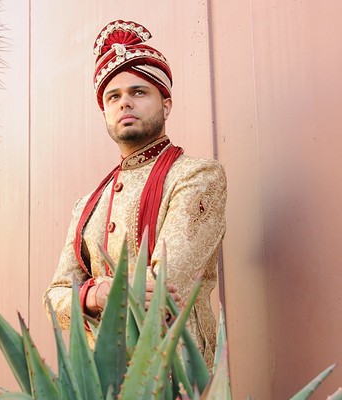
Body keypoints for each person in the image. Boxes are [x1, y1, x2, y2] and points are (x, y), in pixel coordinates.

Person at [43, 19, 227, 366]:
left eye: (138, 92)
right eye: (114, 97)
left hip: (173, 373)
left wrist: (85, 295)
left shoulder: (197, 175)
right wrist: (98, 293)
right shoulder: (88, 205)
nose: (124, 103)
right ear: (106, 112)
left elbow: (162, 289)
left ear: (166, 105)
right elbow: (53, 299)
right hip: (98, 378)